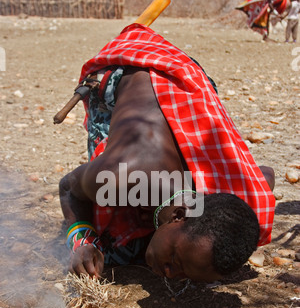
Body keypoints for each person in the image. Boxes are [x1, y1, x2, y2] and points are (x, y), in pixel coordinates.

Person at [58, 24, 275, 286]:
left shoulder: (231, 200)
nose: (169, 275)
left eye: (184, 274)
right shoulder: (118, 178)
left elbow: (266, 176)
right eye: (175, 260)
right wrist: (82, 239)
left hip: (189, 82)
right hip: (139, 68)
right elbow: (69, 188)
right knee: (116, 249)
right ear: (178, 215)